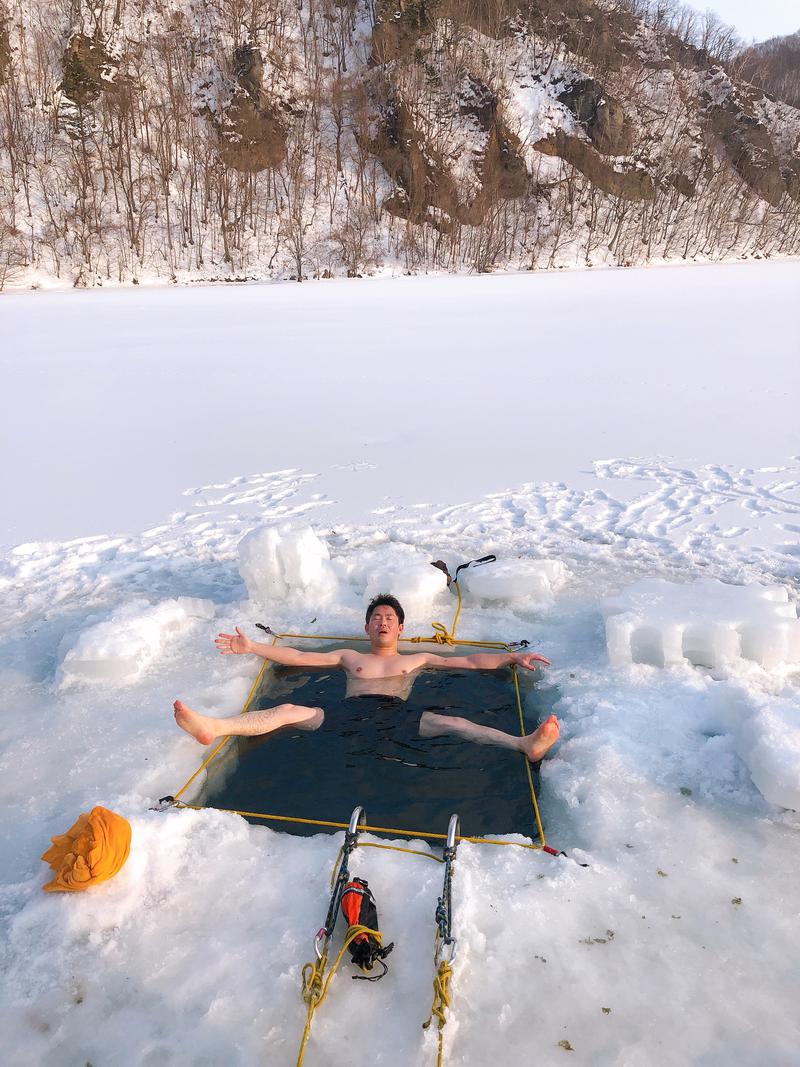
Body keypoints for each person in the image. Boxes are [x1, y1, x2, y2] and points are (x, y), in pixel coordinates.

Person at [174, 593, 560, 762]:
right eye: (376, 617)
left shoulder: (420, 657)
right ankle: (214, 727)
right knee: (289, 708)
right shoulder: (349, 656)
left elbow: (472, 663)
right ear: (366, 627)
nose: (383, 621)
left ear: (401, 628)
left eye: (390, 618)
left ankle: (523, 745)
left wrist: (512, 657)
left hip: (398, 715)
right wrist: (254, 648)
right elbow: (298, 655)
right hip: (347, 713)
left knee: (455, 722)